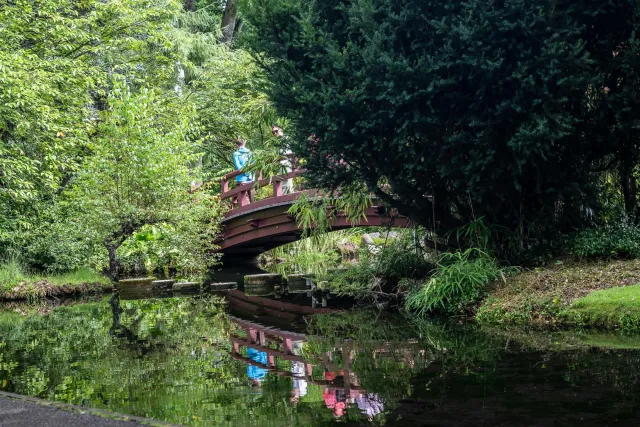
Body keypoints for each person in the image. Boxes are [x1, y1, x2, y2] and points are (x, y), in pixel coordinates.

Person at [271, 125, 295, 194]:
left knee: (287, 181)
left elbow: (289, 152)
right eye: (273, 132)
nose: (275, 133)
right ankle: (289, 197)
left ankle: (287, 197)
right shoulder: (277, 142)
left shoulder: (285, 139)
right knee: (284, 181)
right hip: (281, 163)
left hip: (286, 162)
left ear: (280, 130)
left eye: (276, 131)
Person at [232, 138, 255, 203]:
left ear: (237, 145)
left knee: (244, 200)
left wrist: (245, 173)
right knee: (252, 199)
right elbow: (254, 163)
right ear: (243, 144)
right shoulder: (250, 153)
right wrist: (249, 173)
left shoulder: (236, 154)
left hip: (241, 178)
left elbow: (238, 166)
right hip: (251, 177)